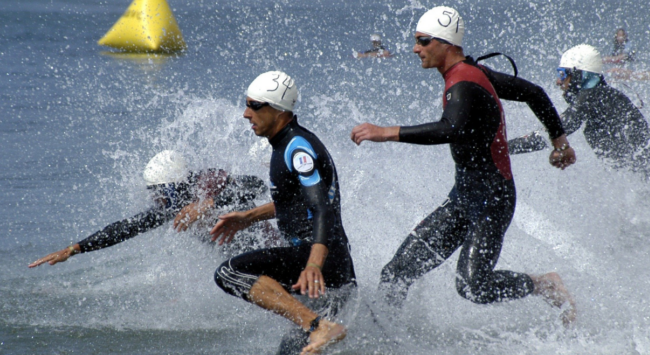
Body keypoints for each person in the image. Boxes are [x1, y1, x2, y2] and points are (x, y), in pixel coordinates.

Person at [350, 6, 577, 324]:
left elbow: (451, 128)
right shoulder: (472, 74)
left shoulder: (465, 82)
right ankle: (385, 339)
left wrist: (386, 132)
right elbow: (534, 93)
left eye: (423, 41)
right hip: (464, 198)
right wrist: (560, 143)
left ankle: (544, 285)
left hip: (492, 201)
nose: (416, 48)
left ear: (446, 43)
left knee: (473, 285)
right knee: (397, 272)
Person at [209, 71, 356, 355]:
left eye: (254, 105)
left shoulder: (297, 148)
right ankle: (319, 326)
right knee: (290, 351)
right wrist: (248, 217)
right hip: (330, 265)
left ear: (277, 110)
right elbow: (295, 202)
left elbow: (321, 207)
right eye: (246, 104)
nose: (245, 114)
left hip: (321, 263)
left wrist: (313, 265)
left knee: (229, 272)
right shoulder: (285, 143)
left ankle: (318, 326)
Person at [29, 150, 274, 268]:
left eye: (163, 191)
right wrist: (75, 248)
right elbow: (127, 228)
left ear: (179, 184)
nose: (159, 199)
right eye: (154, 193)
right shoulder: (171, 206)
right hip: (239, 257)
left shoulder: (206, 184)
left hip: (267, 246)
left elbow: (255, 184)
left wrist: (208, 204)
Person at [509, 44, 650, 177]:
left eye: (562, 73)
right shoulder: (602, 95)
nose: (558, 81)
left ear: (578, 74)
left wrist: (501, 147)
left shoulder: (592, 96)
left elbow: (555, 130)